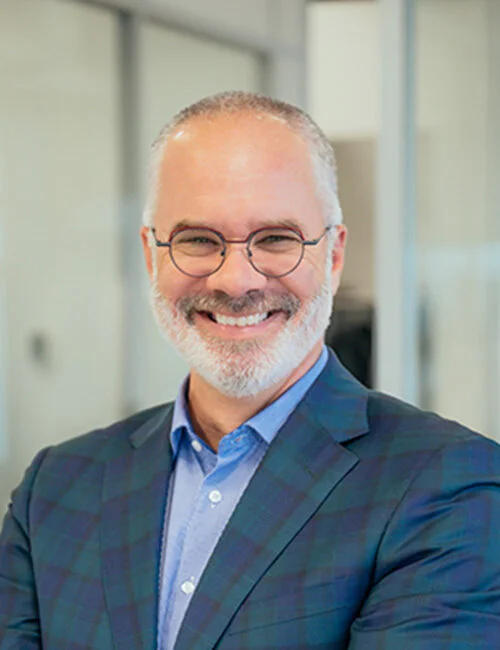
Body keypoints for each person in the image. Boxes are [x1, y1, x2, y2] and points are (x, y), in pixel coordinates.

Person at [1, 91, 499, 650]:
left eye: (276, 239)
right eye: (197, 240)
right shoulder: (56, 488)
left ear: (334, 255)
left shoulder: (450, 484)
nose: (236, 281)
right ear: (151, 255)